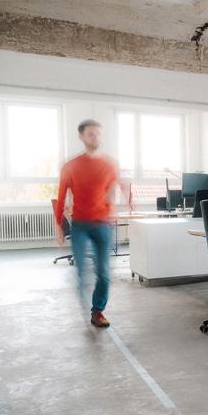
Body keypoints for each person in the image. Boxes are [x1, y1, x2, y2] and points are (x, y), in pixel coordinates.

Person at [54, 119, 120, 328]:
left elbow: (112, 189)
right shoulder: (71, 166)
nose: (96, 138)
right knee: (82, 272)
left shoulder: (109, 164)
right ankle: (83, 300)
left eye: (98, 134)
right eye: (91, 134)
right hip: (80, 225)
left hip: (102, 224)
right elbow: (61, 196)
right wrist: (58, 225)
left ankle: (97, 311)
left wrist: (112, 204)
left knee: (103, 273)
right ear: (81, 136)